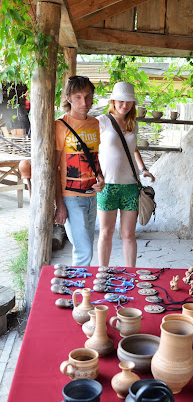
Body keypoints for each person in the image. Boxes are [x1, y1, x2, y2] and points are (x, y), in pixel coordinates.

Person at [97, 82, 155, 267]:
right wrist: (96, 174)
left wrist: (143, 169)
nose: (125, 105)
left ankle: (132, 273)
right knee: (106, 233)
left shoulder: (133, 123)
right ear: (113, 101)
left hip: (131, 186)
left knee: (129, 234)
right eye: (121, 101)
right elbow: (91, 150)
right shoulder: (102, 121)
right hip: (108, 186)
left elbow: (134, 149)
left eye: (129, 101)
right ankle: (103, 272)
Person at [55, 75, 105, 266]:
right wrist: (59, 203)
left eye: (88, 96)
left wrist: (101, 178)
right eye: (78, 97)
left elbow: (95, 159)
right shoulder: (60, 125)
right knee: (84, 251)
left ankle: (79, 291)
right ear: (68, 98)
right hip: (71, 197)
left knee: (85, 248)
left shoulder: (94, 124)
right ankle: (80, 293)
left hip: (91, 195)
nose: (84, 102)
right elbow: (54, 166)